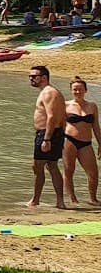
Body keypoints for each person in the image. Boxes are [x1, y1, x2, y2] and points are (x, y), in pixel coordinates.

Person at [29, 64, 69, 209]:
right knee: (52, 165)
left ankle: (35, 200)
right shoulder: (51, 92)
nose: (31, 79)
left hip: (47, 133)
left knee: (38, 166)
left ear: (44, 78)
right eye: (30, 76)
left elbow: (52, 117)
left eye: (34, 76)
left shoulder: (48, 93)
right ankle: (60, 202)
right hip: (54, 133)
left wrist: (46, 139)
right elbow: (63, 116)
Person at [63, 77, 100, 206]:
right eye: (75, 89)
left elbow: (96, 126)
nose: (78, 92)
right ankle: (73, 200)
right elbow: (57, 125)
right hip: (69, 141)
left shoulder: (92, 106)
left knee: (93, 173)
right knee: (69, 170)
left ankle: (93, 199)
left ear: (85, 90)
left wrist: (100, 144)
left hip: (86, 143)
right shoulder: (65, 105)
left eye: (80, 89)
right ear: (71, 91)